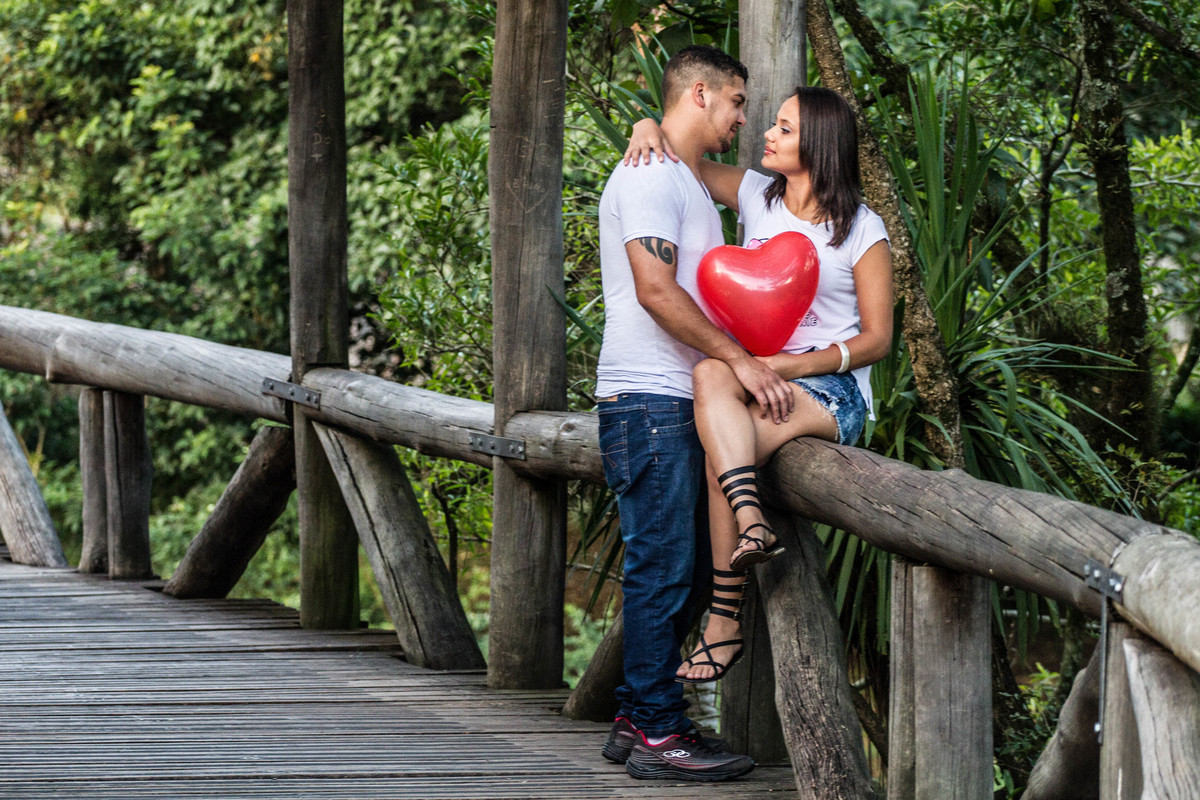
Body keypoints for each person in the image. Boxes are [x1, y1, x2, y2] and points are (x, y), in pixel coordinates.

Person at [623, 86, 894, 684]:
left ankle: (724, 619)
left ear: (818, 145)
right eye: (772, 124)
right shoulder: (755, 195)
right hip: (755, 379)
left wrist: (791, 367)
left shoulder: (862, 229)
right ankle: (750, 519)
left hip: (830, 390)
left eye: (784, 128)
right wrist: (645, 124)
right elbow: (681, 152)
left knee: (728, 450)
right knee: (709, 372)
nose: (766, 134)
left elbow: (878, 340)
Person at [595, 45, 795, 783]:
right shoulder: (650, 178)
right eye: (739, 104)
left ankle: (634, 713)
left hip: (667, 398)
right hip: (648, 399)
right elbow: (655, 288)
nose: (743, 119)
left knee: (663, 565)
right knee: (664, 569)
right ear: (703, 94)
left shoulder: (679, 175)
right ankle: (657, 730)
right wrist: (740, 361)